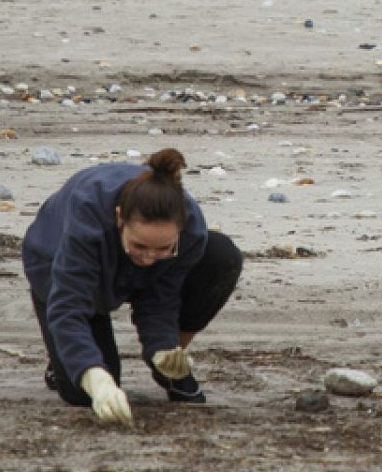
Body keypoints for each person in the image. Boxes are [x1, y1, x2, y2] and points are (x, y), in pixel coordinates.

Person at [21, 149, 243, 424]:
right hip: (54, 259)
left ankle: (170, 368)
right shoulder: (88, 218)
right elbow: (68, 307)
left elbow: (160, 298)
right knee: (83, 393)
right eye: (140, 245)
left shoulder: (191, 230)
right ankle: (65, 359)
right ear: (119, 219)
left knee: (220, 256)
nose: (149, 258)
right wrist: (96, 378)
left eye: (163, 247)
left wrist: (162, 348)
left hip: (123, 260)